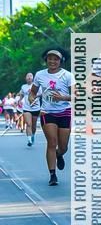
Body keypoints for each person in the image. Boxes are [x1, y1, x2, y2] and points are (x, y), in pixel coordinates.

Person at [30, 48, 73, 186]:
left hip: (65, 111)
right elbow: (33, 93)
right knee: (52, 142)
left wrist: (63, 97)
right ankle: (52, 175)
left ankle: (59, 154)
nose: (52, 61)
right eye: (50, 58)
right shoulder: (39, 75)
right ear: (46, 60)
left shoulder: (67, 75)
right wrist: (32, 99)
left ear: (61, 61)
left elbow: (77, 96)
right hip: (47, 112)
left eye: (56, 59)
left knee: (63, 146)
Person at [20, 72, 40, 146]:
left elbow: (41, 94)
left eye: (31, 76)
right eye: (27, 76)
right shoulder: (23, 87)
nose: (29, 77)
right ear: (25, 78)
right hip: (26, 108)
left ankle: (32, 135)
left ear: (33, 78)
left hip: (35, 107)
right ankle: (29, 140)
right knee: (28, 124)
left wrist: (34, 96)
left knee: (33, 126)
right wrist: (19, 100)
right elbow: (21, 94)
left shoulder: (37, 86)